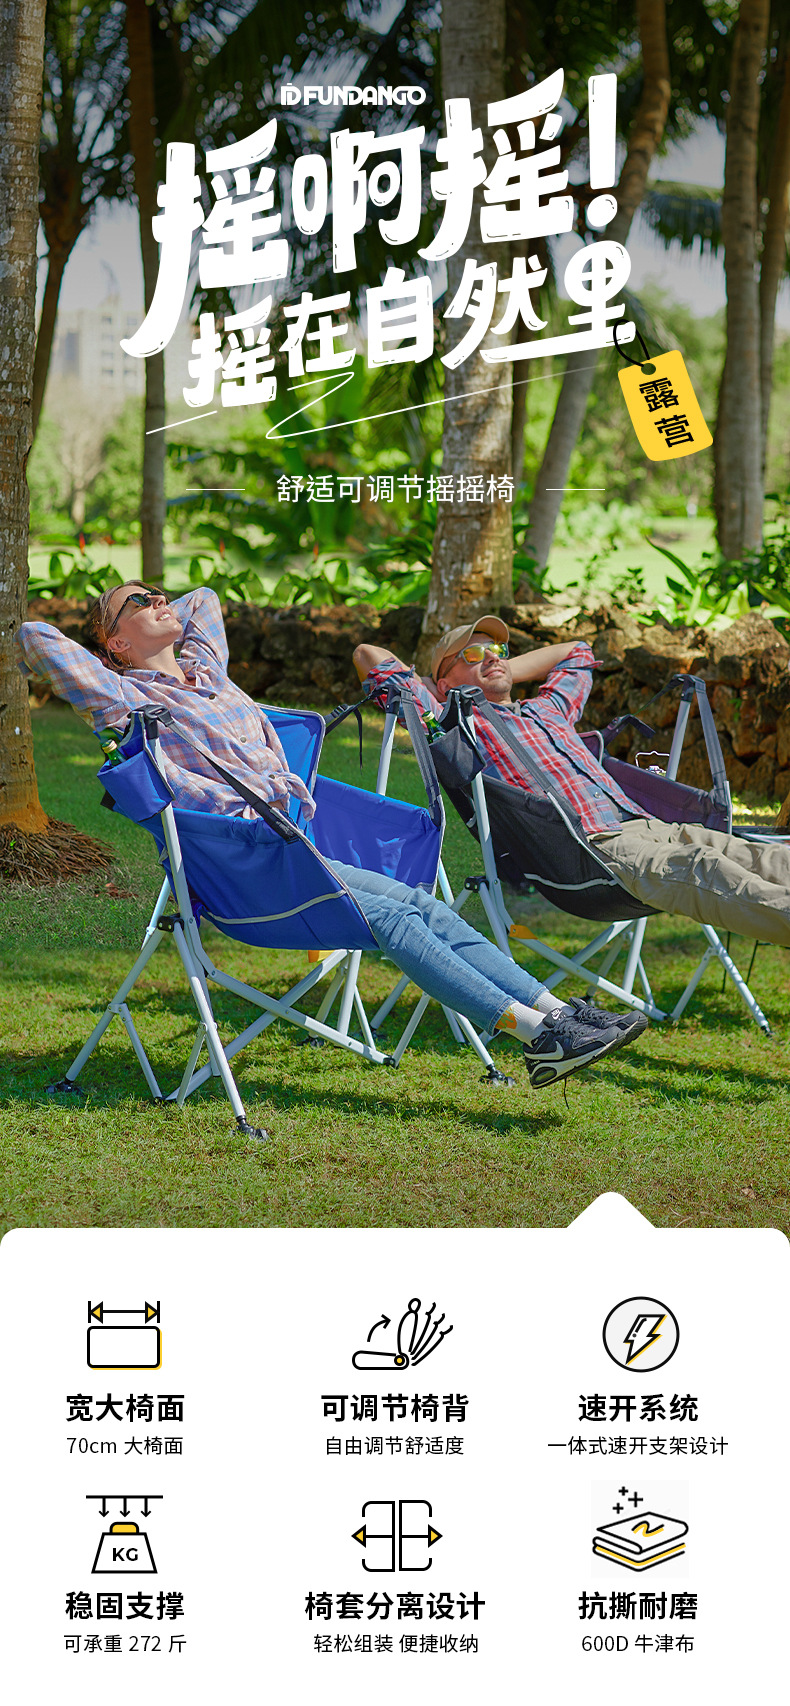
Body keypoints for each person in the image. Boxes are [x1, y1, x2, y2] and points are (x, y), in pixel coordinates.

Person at [17, 582, 648, 1090]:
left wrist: (150, 612)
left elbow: (203, 598)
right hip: (243, 865)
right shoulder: (122, 697)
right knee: (397, 921)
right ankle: (536, 1035)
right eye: (139, 602)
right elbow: (35, 638)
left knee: (423, 905)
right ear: (114, 641)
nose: (159, 601)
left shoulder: (207, 672)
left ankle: (558, 1014)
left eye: (159, 595)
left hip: (293, 848)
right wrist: (117, 648)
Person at [353, 614, 790, 949]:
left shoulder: (548, 709)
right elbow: (368, 656)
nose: (491, 657)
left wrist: (496, 668)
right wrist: (439, 689)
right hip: (596, 853)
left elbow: (578, 652)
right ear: (443, 682)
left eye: (498, 650)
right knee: (706, 870)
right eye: (471, 654)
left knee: (762, 857)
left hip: (655, 827)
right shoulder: (453, 726)